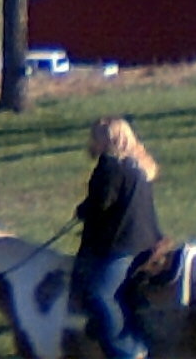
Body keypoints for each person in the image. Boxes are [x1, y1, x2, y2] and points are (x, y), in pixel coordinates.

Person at [72, 116, 161, 359]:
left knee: (100, 294)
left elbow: (102, 204)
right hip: (149, 239)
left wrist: (83, 210)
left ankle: (127, 350)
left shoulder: (110, 166)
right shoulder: (140, 165)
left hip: (123, 245)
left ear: (107, 140)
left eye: (95, 137)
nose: (91, 142)